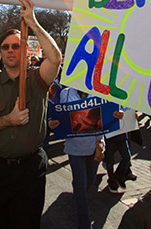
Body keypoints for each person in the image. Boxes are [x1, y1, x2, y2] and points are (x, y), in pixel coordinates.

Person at [0, 0, 62, 228]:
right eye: (6, 47)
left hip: (30, 170)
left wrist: (32, 22)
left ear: (25, 50)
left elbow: (55, 59)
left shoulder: (37, 79)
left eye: (16, 46)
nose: (11, 50)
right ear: (0, 53)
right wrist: (8, 120)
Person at [48, 87, 104, 229]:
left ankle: (79, 196)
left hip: (94, 147)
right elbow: (59, 117)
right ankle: (84, 223)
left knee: (89, 181)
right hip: (75, 149)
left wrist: (100, 143)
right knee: (80, 186)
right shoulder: (65, 94)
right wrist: (53, 123)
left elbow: (104, 118)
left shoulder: (99, 91)